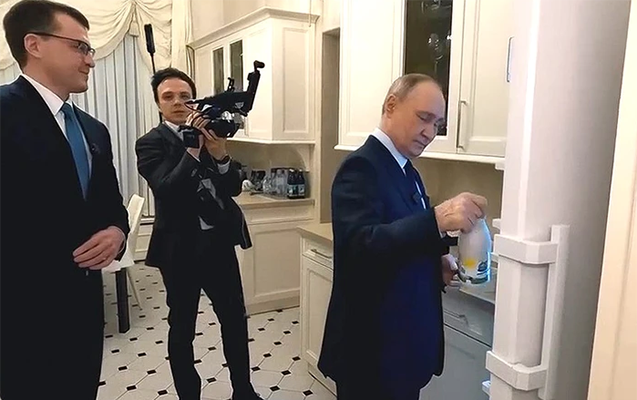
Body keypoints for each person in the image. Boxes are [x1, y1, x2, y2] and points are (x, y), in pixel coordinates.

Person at [318, 73, 488, 400]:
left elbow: (402, 234)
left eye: (437, 124)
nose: (430, 132)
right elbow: (360, 247)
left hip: (402, 352)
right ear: (391, 106)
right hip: (371, 354)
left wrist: (437, 259)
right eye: (424, 118)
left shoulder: (407, 170)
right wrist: (437, 218)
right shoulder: (361, 167)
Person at [0, 1, 130, 399]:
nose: (90, 60)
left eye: (90, 49)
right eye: (80, 47)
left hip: (85, 307)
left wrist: (116, 232)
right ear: (34, 44)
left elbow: (112, 206)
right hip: (20, 311)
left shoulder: (93, 129)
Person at [135, 68, 262, 400]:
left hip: (218, 245)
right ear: (158, 104)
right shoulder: (149, 143)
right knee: (182, 327)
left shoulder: (210, 132)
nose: (178, 102)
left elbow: (232, 188)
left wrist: (220, 155)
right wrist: (192, 149)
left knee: (234, 320)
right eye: (169, 97)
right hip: (179, 249)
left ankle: (243, 390)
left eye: (185, 96)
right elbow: (167, 188)